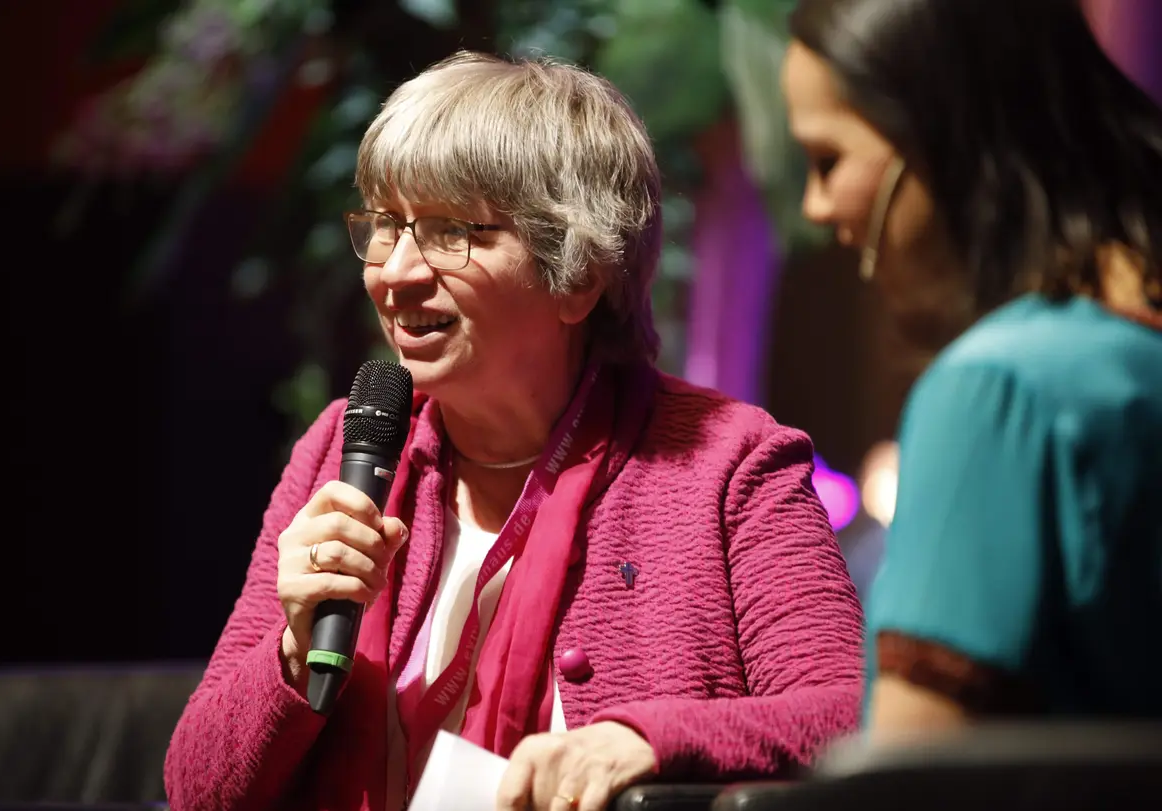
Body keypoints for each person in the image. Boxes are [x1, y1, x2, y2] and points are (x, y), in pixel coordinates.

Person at [165, 50, 864, 811]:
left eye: (449, 232)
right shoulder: (342, 447)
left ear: (578, 275)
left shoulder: (726, 465)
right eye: (387, 225)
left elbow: (850, 719)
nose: (395, 272)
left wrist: (646, 741)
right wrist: (295, 651)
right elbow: (195, 789)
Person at [781, 0, 1162, 738]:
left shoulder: (995, 390)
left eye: (828, 161)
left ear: (941, 144)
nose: (816, 206)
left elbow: (917, 770)